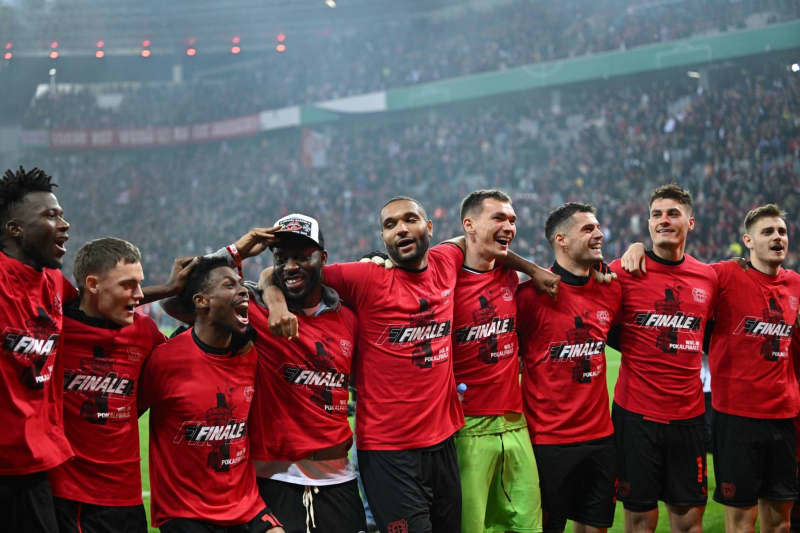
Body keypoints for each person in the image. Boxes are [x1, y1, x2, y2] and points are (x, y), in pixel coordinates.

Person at [263, 196, 558, 533]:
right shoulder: (364, 276)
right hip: (389, 452)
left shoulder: (447, 261)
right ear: (383, 239)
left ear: (429, 228)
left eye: (409, 220)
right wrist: (275, 304)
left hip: (443, 442)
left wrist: (532, 269)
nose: (400, 229)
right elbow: (287, 269)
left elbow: (479, 242)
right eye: (390, 225)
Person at [623, 203, 800, 532]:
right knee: (741, 520)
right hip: (737, 418)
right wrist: (638, 249)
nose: (778, 237)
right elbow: (675, 267)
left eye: (782, 232)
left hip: (785, 416)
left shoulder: (796, 285)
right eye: (767, 232)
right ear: (747, 240)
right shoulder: (722, 275)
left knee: (780, 521)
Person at [138, 258, 284, 533]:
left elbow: (271, 280)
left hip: (246, 506)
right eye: (229, 285)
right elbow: (124, 416)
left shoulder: (251, 355)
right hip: (186, 513)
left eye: (242, 285)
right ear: (201, 301)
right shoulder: (165, 360)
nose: (243, 291)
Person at [247, 214, 368, 533]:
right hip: (275, 481)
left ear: (323, 258)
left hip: (339, 480)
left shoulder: (349, 318)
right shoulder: (256, 312)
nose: (290, 266)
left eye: (302, 256)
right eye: (282, 258)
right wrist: (239, 252)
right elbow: (179, 300)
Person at [609, 184, 718, 533]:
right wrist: (634, 248)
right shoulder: (624, 271)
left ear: (691, 222)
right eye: (656, 214)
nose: (663, 220)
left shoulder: (709, 277)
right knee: (640, 520)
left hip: (688, 414)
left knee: (688, 521)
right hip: (636, 416)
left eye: (672, 213)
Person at [48, 238, 167, 533]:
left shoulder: (146, 333)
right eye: (128, 285)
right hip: (72, 495)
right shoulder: (57, 328)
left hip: (128, 496)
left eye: (140, 283)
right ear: (92, 284)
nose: (139, 295)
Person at [517, 203, 621, 533]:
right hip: (548, 441)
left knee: (595, 527)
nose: (599, 234)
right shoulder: (528, 297)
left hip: (601, 439)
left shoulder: (611, 289)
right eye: (588, 229)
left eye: (598, 227)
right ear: (561, 239)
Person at [450, 190, 542, 533]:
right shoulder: (445, 279)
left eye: (513, 220)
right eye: (499, 218)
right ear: (469, 226)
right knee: (470, 526)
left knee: (528, 526)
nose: (509, 226)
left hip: (515, 423)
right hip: (466, 427)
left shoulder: (509, 277)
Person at [0, 166, 74, 533]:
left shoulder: (54, 282)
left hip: (34, 466)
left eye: (61, 214)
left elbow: (104, 302)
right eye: (50, 215)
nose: (64, 224)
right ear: (14, 229)